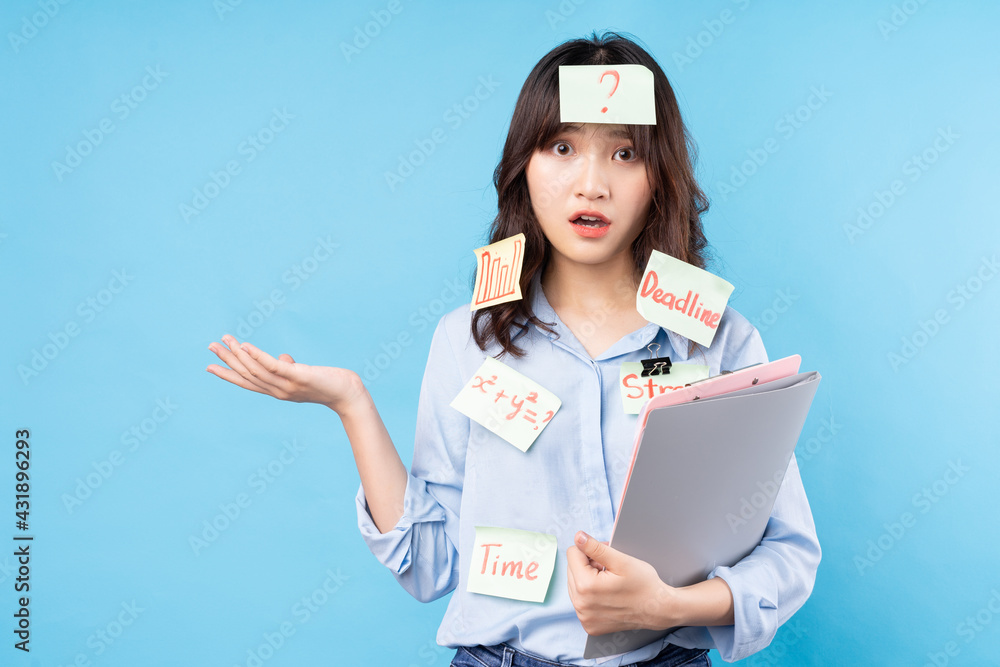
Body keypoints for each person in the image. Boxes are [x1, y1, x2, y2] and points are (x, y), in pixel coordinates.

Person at [206, 31, 820, 667]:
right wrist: (352, 406)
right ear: (523, 166)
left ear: (659, 176)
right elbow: (429, 565)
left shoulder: (719, 340)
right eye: (561, 147)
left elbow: (788, 551)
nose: (591, 184)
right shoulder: (469, 341)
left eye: (625, 153)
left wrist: (672, 607)